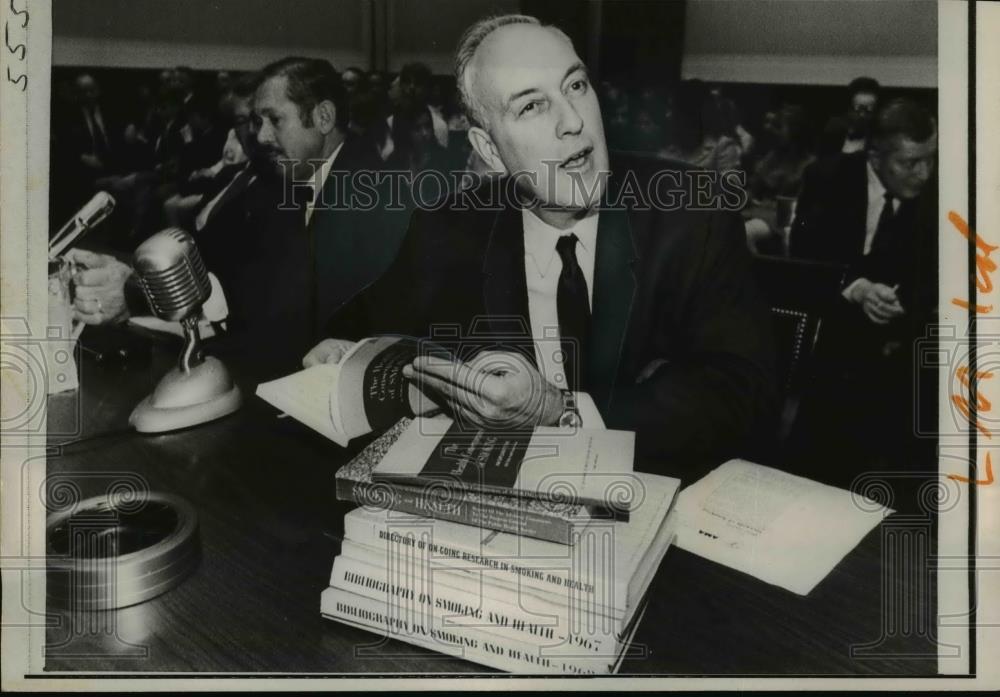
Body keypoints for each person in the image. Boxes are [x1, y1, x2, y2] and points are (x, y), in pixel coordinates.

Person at [304, 15, 776, 478]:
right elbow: (363, 334)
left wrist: (561, 411)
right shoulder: (448, 227)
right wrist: (340, 360)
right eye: (531, 106)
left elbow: (743, 393)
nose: (573, 122)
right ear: (489, 150)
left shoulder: (691, 212)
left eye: (575, 86)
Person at [786, 98, 938, 497]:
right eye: (910, 163)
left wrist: (909, 302)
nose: (924, 174)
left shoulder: (941, 191)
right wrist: (857, 288)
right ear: (875, 155)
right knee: (815, 467)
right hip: (833, 335)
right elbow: (804, 253)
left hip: (903, 346)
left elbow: (944, 268)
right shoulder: (827, 177)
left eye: (930, 159)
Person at [819, 76, 881, 156]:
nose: (862, 115)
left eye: (869, 110)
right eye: (858, 109)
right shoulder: (834, 130)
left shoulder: (879, 135)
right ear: (848, 109)